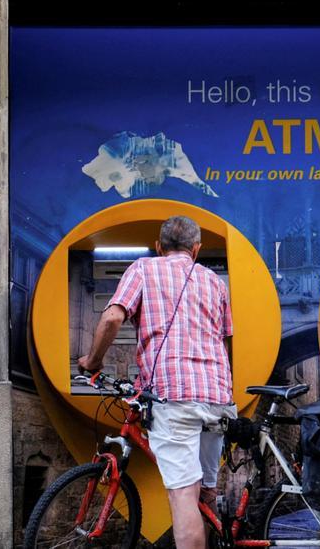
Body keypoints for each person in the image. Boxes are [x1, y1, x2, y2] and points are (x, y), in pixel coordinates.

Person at [78, 215, 235, 549]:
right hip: (217, 397)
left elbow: (112, 317)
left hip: (174, 396)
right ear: (196, 249)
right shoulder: (214, 282)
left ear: (158, 246)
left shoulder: (144, 269)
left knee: (183, 497)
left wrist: (92, 362)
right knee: (205, 492)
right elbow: (226, 341)